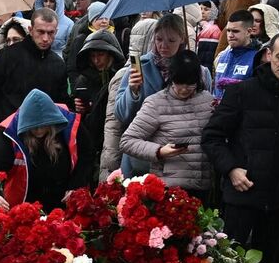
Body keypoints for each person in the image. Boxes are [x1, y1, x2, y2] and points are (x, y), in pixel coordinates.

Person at [205, 33, 279, 263]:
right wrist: (231, 169)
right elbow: (212, 136)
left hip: (278, 199)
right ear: (269, 55)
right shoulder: (243, 91)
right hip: (242, 191)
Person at [0, 7, 68, 189]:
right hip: (10, 144)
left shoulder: (58, 64)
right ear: (30, 30)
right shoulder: (8, 56)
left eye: (50, 33)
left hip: (44, 147)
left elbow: (61, 105)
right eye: (41, 32)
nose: (45, 38)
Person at [104, 15, 199, 178]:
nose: (163, 45)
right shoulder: (139, 66)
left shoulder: (197, 70)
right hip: (142, 158)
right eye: (159, 39)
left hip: (179, 158)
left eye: (171, 40)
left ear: (182, 39)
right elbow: (120, 114)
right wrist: (133, 91)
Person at [120, 50, 214, 193]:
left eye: (190, 84)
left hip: (204, 187)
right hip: (168, 189)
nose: (183, 90)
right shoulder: (156, 103)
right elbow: (127, 141)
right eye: (179, 83)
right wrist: (159, 151)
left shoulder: (209, 101)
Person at [0, 88, 81, 209]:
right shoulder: (9, 133)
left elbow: (86, 156)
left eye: (43, 126)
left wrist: (76, 185)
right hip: (25, 202)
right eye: (34, 127)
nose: (38, 131)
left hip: (63, 197)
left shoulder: (70, 123)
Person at [69, 29, 122, 188]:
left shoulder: (119, 78)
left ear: (111, 54)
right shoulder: (83, 81)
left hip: (114, 137)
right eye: (93, 56)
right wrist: (78, 108)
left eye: (101, 55)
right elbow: (76, 110)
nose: (97, 60)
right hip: (91, 140)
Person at [213, 11, 261, 90]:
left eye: (235, 31)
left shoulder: (258, 58)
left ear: (249, 32)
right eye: (228, 30)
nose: (230, 35)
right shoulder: (223, 56)